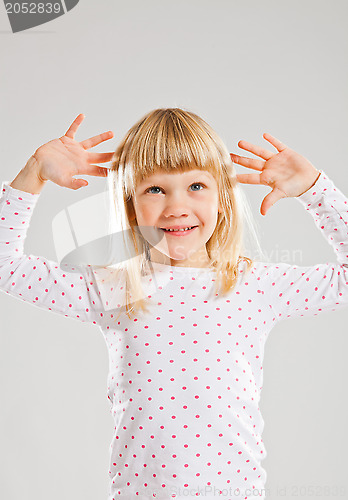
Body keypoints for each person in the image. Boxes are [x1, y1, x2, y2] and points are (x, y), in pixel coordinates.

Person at [1, 108, 348, 500]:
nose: (176, 207)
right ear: (131, 205)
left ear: (224, 199)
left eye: (196, 186)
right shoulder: (115, 287)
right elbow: (6, 266)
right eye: (155, 189)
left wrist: (316, 190)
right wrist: (33, 173)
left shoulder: (255, 286)